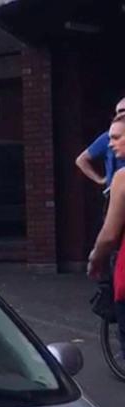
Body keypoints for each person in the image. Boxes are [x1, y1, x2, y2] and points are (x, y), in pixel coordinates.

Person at [88, 114, 125, 355]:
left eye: (116, 137)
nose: (110, 144)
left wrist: (95, 258)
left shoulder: (122, 178)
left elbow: (109, 234)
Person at [77, 97, 125, 190]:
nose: (111, 144)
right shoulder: (106, 138)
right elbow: (81, 160)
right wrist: (101, 180)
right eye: (118, 112)